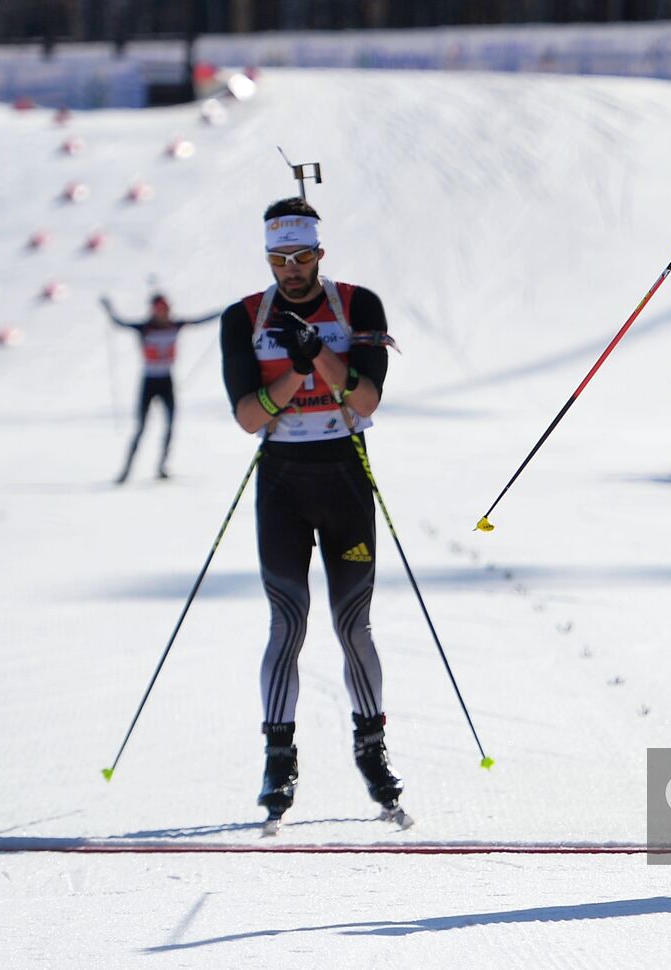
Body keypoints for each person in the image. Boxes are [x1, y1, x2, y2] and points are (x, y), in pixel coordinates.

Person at [219, 196, 404, 827]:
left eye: (300, 257)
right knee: (287, 624)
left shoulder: (358, 305)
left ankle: (372, 750)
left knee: (354, 625)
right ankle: (278, 757)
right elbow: (248, 418)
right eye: (279, 258)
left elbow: (369, 399)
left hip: (345, 473)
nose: (290, 269)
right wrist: (299, 374)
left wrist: (318, 354)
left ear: (319, 255)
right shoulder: (243, 316)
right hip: (283, 481)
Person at [101, 292, 218, 482]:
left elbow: (200, 321)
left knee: (170, 425)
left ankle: (162, 467)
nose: (162, 313)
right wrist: (108, 308)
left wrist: (227, 312)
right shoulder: (145, 328)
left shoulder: (175, 325)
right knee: (141, 428)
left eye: (165, 309)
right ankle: (126, 471)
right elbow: (119, 323)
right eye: (158, 310)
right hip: (149, 382)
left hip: (167, 381)